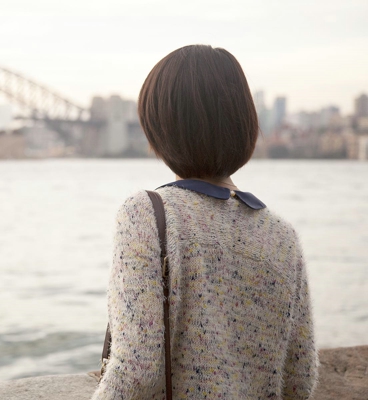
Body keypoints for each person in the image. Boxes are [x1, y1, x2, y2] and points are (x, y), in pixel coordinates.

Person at [91, 45, 318, 399]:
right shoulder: (283, 235)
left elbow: (137, 369)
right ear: (245, 125)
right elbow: (300, 379)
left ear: (161, 128)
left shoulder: (147, 213)